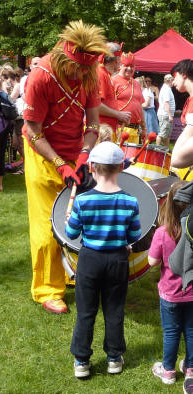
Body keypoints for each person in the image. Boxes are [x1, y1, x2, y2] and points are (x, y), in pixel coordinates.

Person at [22, 20, 110, 314]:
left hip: (75, 152)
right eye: (78, 69)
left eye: (88, 71)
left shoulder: (90, 75)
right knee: (49, 223)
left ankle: (71, 274)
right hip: (41, 151)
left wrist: (84, 156)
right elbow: (33, 130)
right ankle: (47, 288)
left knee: (77, 216)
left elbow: (94, 122)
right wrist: (60, 165)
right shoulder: (40, 76)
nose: (82, 76)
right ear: (64, 58)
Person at [65, 141, 141, 378]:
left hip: (90, 260)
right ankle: (114, 359)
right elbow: (134, 235)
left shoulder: (83, 201)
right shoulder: (131, 201)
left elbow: (71, 234)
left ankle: (81, 362)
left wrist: (69, 218)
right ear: (121, 167)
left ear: (93, 167)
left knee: (86, 312)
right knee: (114, 310)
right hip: (117, 260)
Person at [148, 181, 193, 390]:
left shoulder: (162, 233)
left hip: (170, 295)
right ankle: (191, 368)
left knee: (171, 332)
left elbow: (152, 262)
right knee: (192, 331)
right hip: (192, 292)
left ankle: (168, 371)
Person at [97, 42, 131, 141]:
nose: (121, 63)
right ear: (116, 60)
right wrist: (118, 115)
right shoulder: (101, 74)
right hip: (101, 131)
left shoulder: (106, 75)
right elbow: (96, 105)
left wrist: (118, 118)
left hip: (106, 130)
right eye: (120, 59)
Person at [112, 52, 147, 144]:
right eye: (126, 66)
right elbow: (108, 104)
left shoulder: (137, 84)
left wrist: (144, 128)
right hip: (118, 128)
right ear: (120, 66)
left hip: (134, 130)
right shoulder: (113, 81)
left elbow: (140, 107)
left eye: (132, 66)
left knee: (131, 157)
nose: (129, 69)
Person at [171, 59, 193, 169]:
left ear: (184, 74)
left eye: (175, 77)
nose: (173, 82)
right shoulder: (189, 100)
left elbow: (176, 160)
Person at [156, 74, 175, 147]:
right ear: (170, 80)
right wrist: (170, 115)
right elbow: (166, 103)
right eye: (173, 80)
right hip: (165, 115)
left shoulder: (167, 88)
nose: (173, 82)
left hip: (165, 114)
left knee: (167, 135)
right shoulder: (166, 89)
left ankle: (166, 151)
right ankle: (157, 150)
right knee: (162, 134)